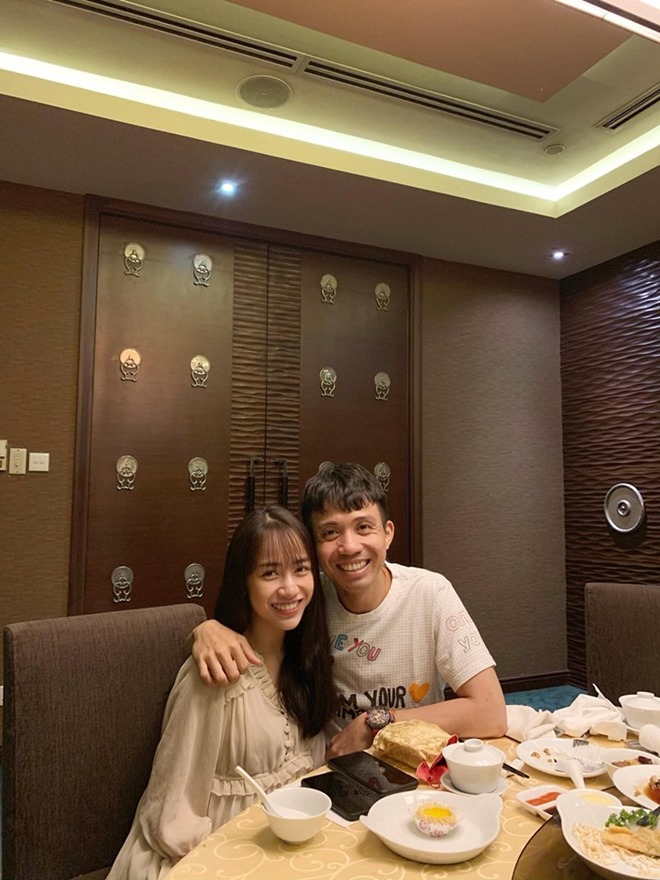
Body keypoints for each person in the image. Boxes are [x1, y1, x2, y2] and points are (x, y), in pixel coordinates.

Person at [193, 463, 507, 758]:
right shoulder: (306, 597)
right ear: (313, 546)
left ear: (387, 533)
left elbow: (491, 712)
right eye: (330, 533)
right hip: (333, 769)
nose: (349, 546)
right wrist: (204, 629)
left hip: (414, 767)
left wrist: (377, 723)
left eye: (363, 527)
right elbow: (251, 630)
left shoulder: (430, 593)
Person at [108, 506, 335, 880]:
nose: (290, 588)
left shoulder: (308, 662)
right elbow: (170, 813)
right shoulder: (215, 672)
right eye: (269, 573)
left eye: (301, 569)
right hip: (205, 856)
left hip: (285, 850)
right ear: (242, 582)